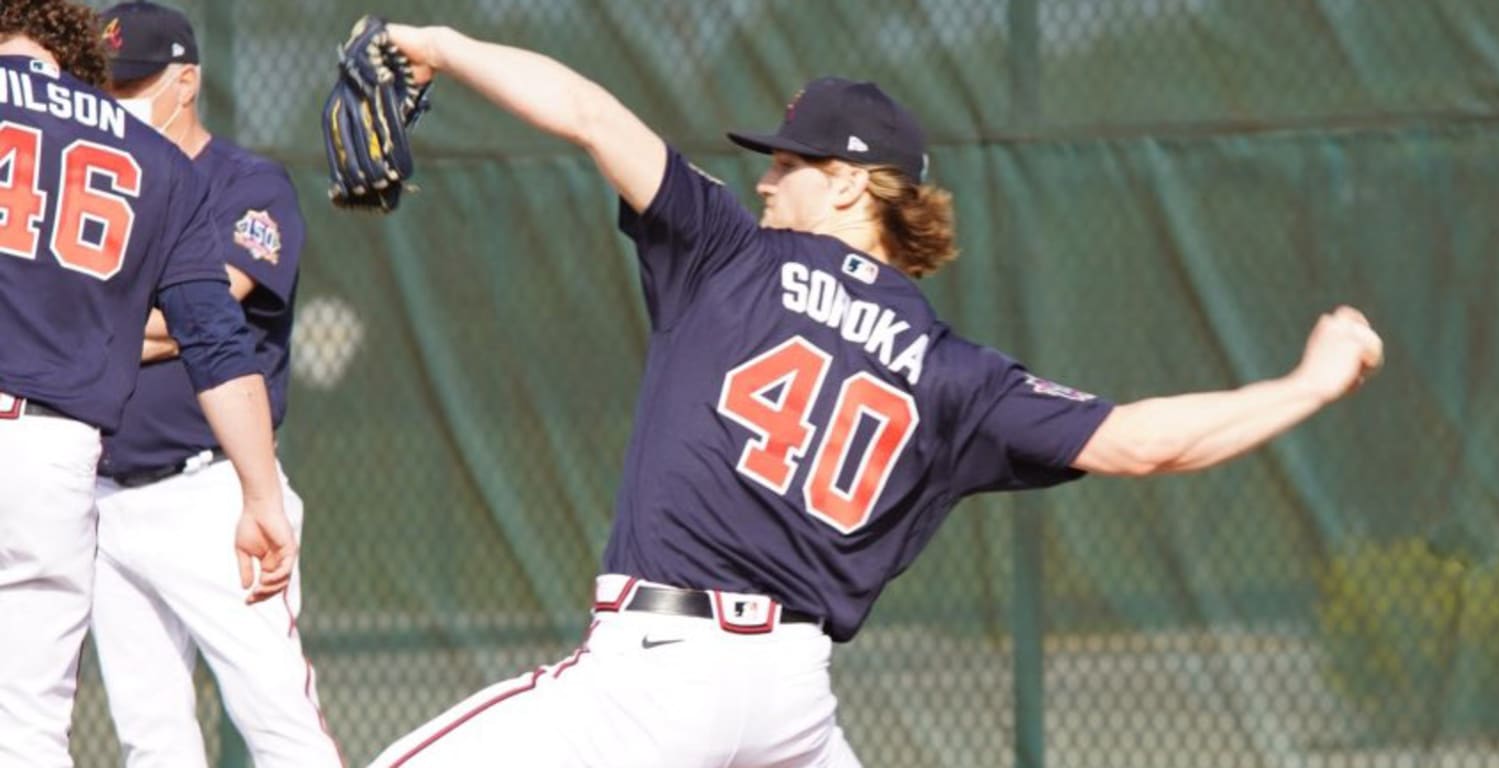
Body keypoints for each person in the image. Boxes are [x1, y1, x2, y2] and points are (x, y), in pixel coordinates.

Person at [364, 23, 1385, 768]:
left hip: (655, 675)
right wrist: (1307, 383)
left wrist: (437, 43)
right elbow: (1140, 442)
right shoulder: (953, 373)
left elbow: (588, 113)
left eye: (790, 165)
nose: (766, 181)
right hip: (790, 708)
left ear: (851, 185)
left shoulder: (730, 256)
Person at [0, 2, 296, 765]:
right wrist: (264, 498)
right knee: (30, 726)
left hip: (186, 485)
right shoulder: (150, 159)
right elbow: (212, 338)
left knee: (270, 716)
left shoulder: (246, 180)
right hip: (60, 460)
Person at [82, 3, 341, 766]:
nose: (114, 103)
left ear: (185, 81)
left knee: (280, 727)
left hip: (211, 495)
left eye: (133, 85)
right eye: (104, 87)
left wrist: (82, 336)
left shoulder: (246, 183)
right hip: (102, 495)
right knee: (150, 740)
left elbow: (205, 310)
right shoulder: (106, 187)